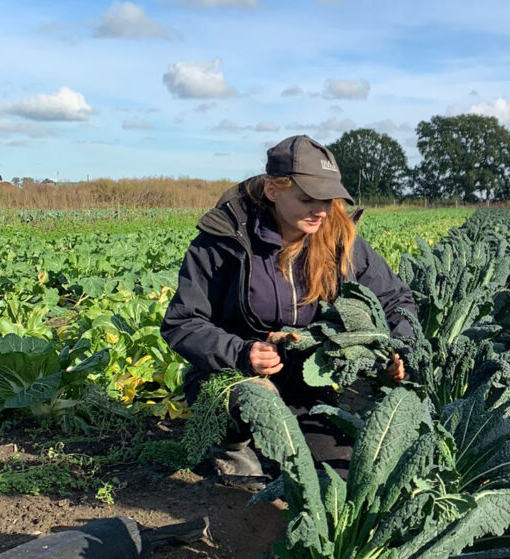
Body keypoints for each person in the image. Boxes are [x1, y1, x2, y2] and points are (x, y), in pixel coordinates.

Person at [161, 134, 415, 490]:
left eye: (328, 199)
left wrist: (399, 348)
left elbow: (396, 299)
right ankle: (231, 442)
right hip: (233, 373)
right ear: (273, 190)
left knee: (340, 478)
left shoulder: (342, 241)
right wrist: (241, 352)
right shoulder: (224, 241)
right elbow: (182, 323)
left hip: (310, 380)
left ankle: (289, 438)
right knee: (254, 397)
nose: (322, 211)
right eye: (307, 199)